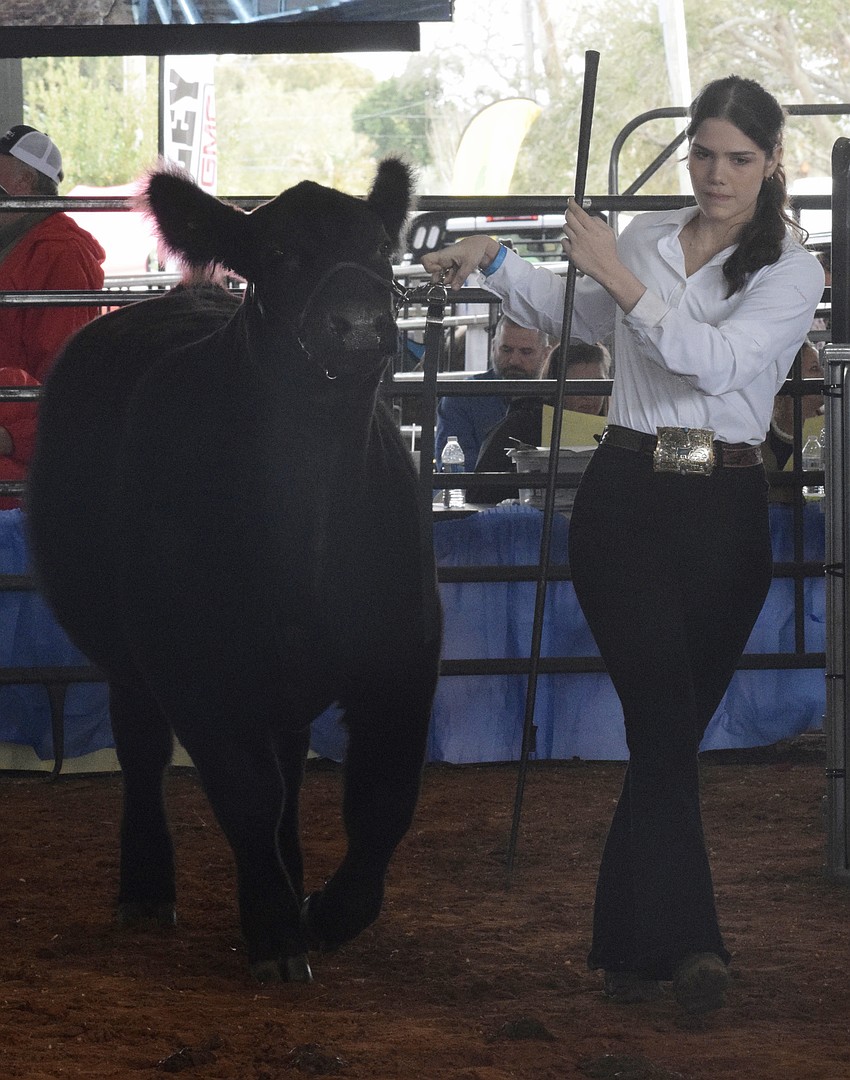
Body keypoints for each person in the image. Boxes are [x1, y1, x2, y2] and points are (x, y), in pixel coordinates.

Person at [423, 75, 825, 1013]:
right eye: (703, 154)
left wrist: (622, 276)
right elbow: (578, 312)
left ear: (772, 163)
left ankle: (624, 946)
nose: (717, 175)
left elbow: (717, 365)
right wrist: (494, 259)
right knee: (661, 724)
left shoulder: (791, 271)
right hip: (627, 499)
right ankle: (695, 945)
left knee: (666, 738)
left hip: (726, 506)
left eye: (739, 159)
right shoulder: (644, 239)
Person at [0, 125, 105, 383]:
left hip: (18, 404)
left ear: (25, 181)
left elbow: (57, 372)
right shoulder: (20, 240)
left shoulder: (61, 253)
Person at [469, 341, 611, 504]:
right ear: (555, 385)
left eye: (597, 384)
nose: (589, 396)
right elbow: (478, 492)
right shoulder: (520, 426)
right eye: (576, 385)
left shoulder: (616, 431)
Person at [435, 314, 550, 470]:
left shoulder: (462, 397)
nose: (514, 360)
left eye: (526, 352)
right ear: (493, 347)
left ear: (546, 354)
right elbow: (456, 470)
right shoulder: (461, 397)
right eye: (506, 350)